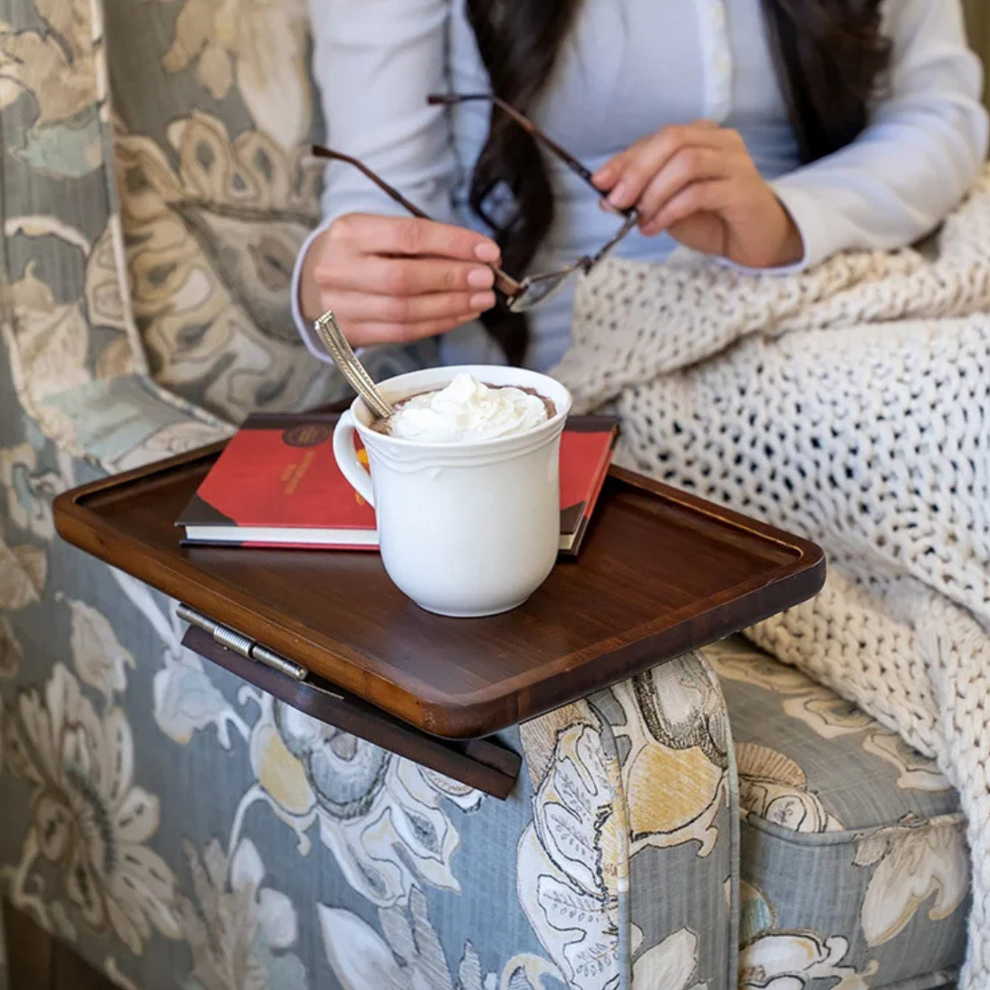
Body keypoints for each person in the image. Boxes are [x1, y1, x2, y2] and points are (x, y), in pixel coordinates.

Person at [293, 0, 988, 372]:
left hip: (843, 301)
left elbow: (940, 114)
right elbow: (375, 208)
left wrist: (786, 220)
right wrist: (330, 291)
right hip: (580, 376)